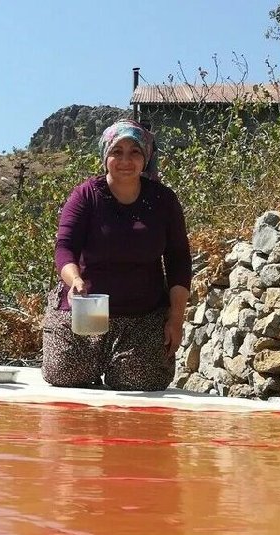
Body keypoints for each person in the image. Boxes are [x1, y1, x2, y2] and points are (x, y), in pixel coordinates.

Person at [42, 120, 192, 391]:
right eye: (117, 152)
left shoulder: (164, 201)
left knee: (139, 383)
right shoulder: (85, 196)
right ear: (105, 156)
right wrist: (74, 280)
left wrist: (176, 319)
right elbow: (64, 247)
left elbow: (179, 260)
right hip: (87, 310)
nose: (125, 160)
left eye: (134, 152)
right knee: (64, 375)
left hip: (143, 315)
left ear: (145, 157)